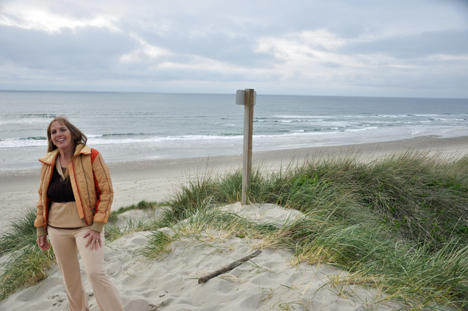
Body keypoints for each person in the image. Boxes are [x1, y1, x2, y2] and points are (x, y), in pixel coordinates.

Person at [35, 116, 124, 311]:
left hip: (87, 228)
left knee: (95, 274)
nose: (58, 134)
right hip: (56, 229)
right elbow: (42, 197)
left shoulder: (91, 156)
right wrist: (41, 230)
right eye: (53, 132)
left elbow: (106, 191)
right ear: (51, 138)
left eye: (62, 130)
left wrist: (97, 225)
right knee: (70, 279)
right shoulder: (48, 162)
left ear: (72, 133)